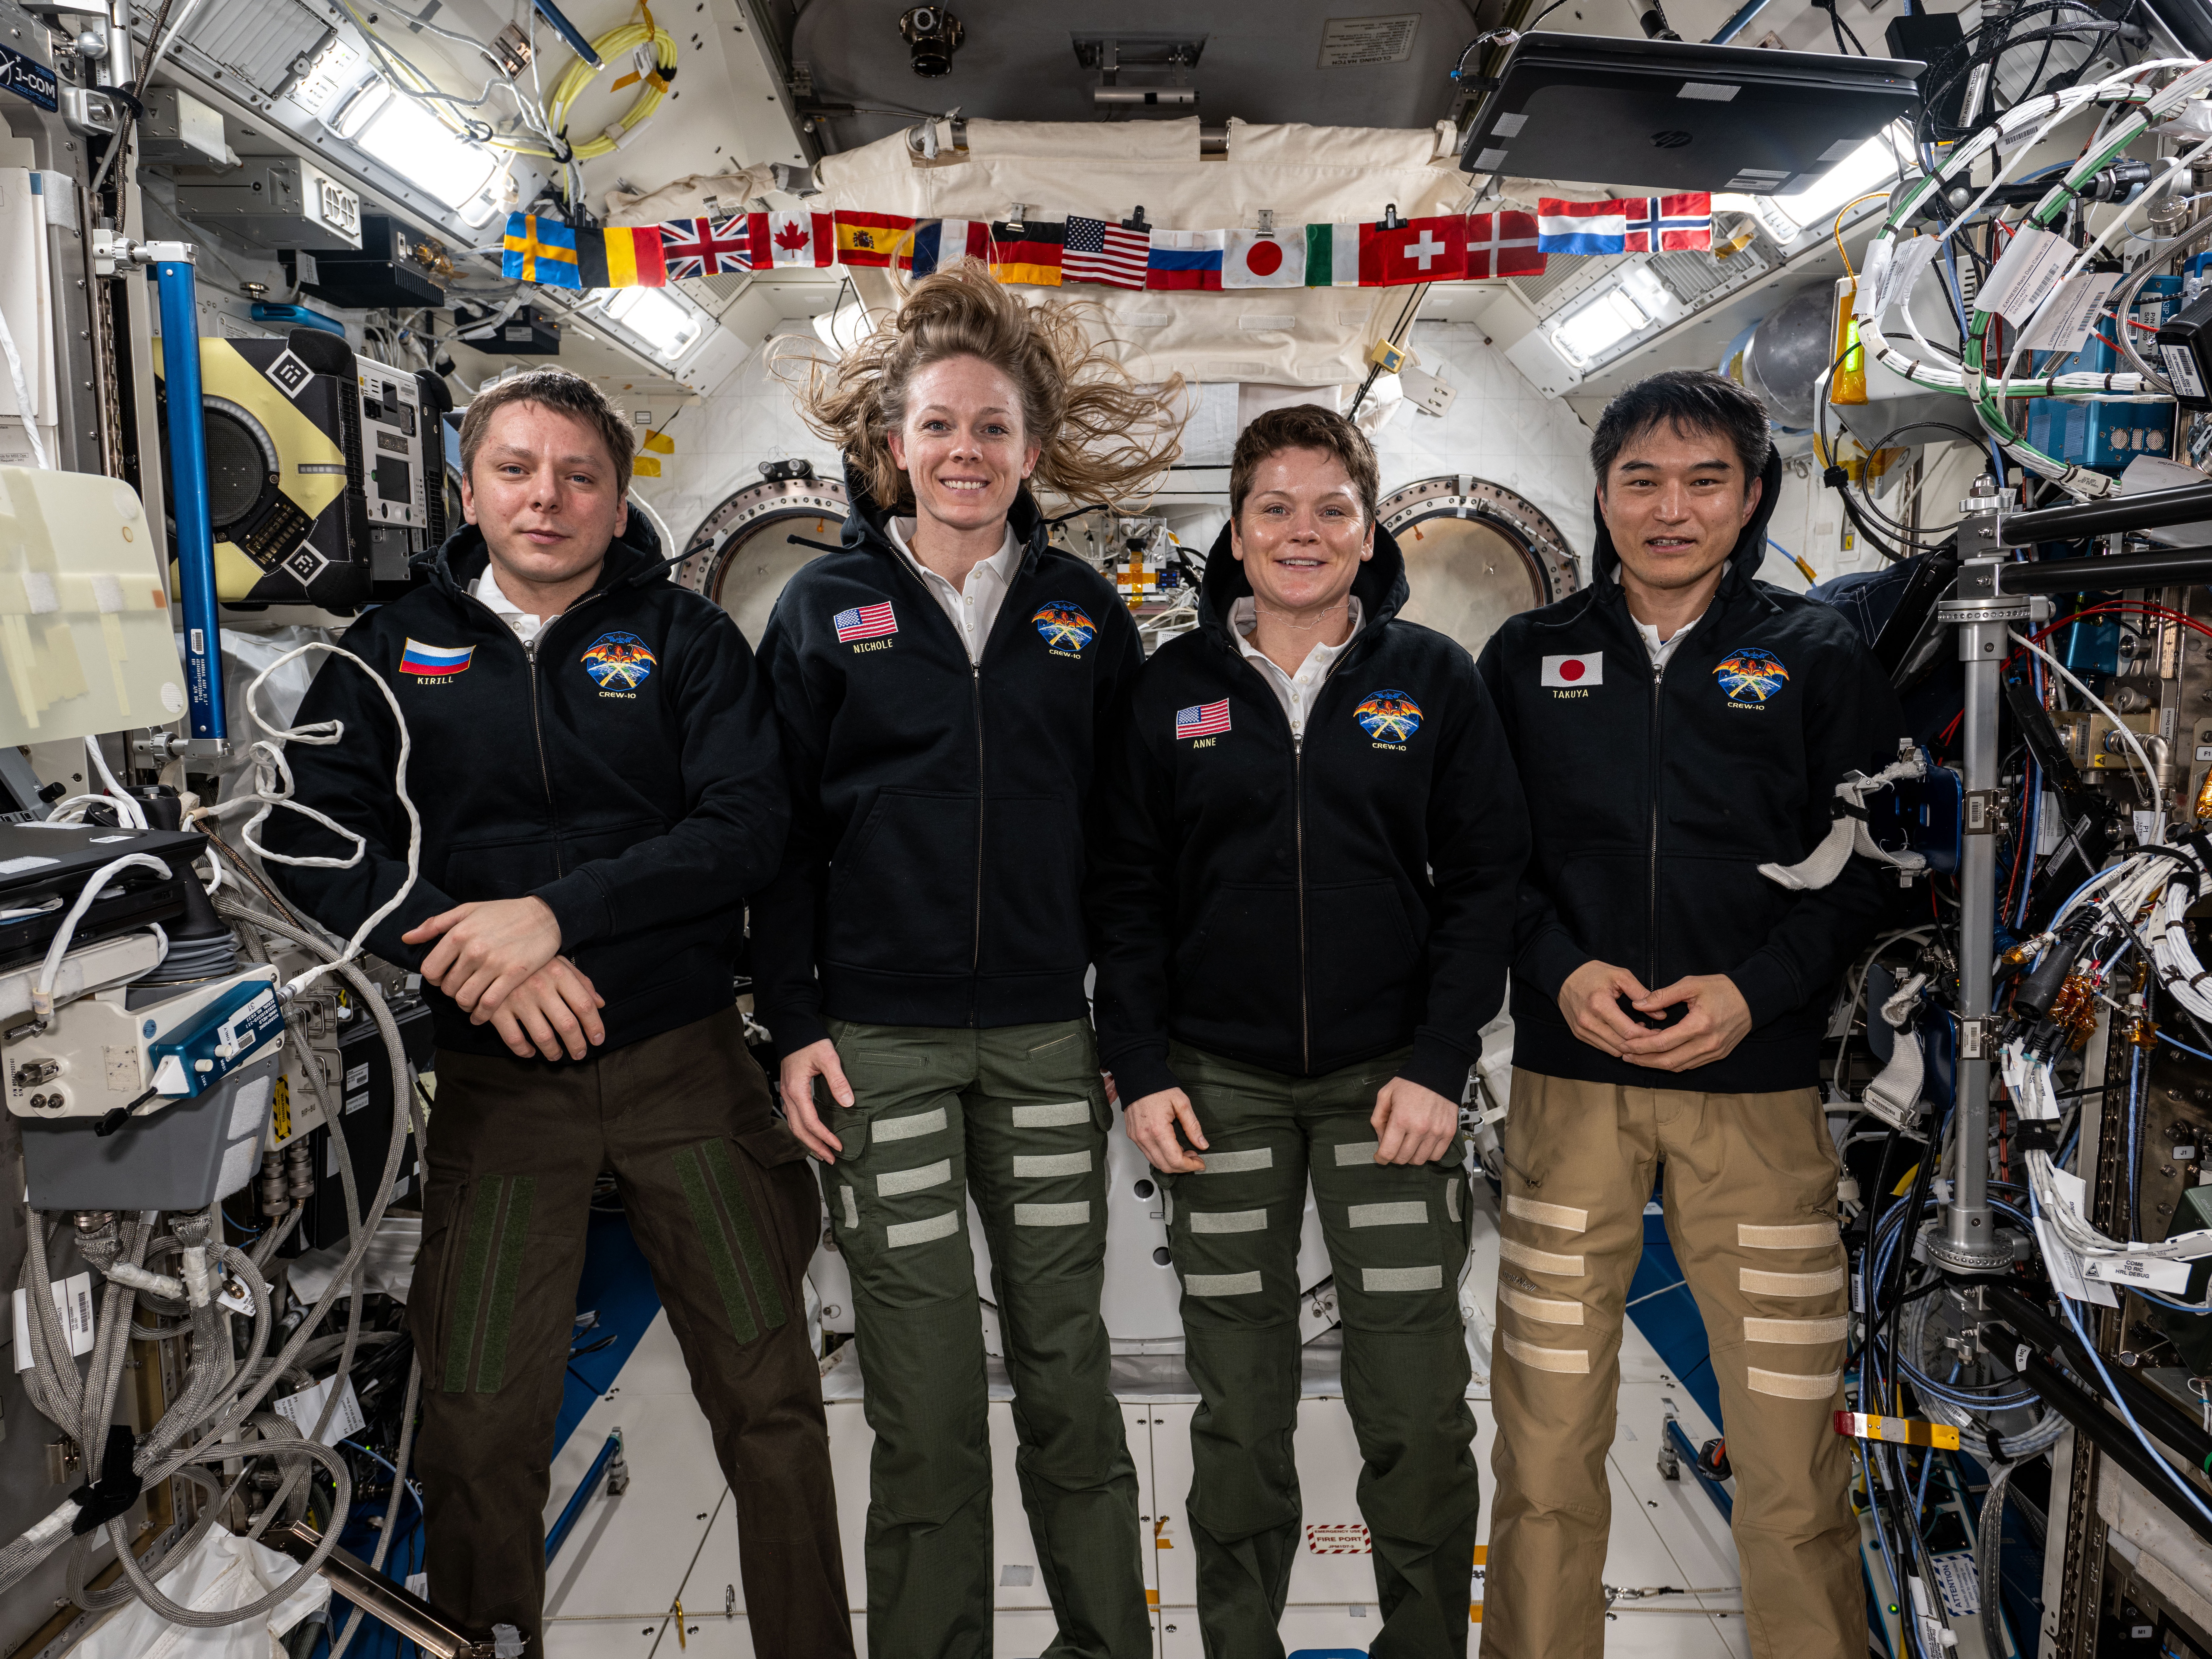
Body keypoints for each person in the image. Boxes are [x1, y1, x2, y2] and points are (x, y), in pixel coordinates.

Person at [266, 368, 852, 1654]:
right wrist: (478, 953)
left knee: (770, 1399)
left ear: (617, 494)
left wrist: (558, 914)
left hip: (683, 1073)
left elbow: (745, 826)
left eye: (579, 474)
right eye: (518, 469)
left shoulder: (686, 639)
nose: (548, 497)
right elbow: (304, 836)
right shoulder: (387, 653)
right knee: (479, 1418)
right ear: (465, 489)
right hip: (497, 1090)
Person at [751, 263, 1185, 1659]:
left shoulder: (1082, 618)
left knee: (1069, 1369)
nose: (964, 453)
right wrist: (793, 1023)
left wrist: (1134, 1042)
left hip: (1047, 1045)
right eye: (937, 427)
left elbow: (1127, 856)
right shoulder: (822, 610)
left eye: (992, 428)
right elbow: (782, 844)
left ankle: (1102, 1642)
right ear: (893, 446)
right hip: (879, 1043)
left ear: (1032, 448)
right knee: (922, 1387)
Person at [1473, 368, 1906, 1659]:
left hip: (1759, 1096)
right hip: (1570, 1090)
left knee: (1786, 1453)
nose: (1671, 508)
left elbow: (1878, 861)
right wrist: (1557, 971)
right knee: (1545, 1445)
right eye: (1641, 481)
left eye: (1703, 480)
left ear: (1751, 496)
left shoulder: (1819, 656)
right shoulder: (1523, 658)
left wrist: (1755, 991)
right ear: (1598, 496)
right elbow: (1481, 863)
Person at [1090, 404, 1532, 1659]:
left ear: (1366, 524)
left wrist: (1438, 1061)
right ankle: (1239, 1644)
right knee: (1237, 1403)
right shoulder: (1166, 690)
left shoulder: (1430, 679)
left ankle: (1423, 1645)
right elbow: (1121, 890)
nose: (1302, 530)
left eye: (1330, 505)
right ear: (1234, 532)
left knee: (1414, 1402)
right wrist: (1141, 1062)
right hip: (1214, 1090)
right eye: (1274, 507)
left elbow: (1483, 877)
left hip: (1385, 1093)